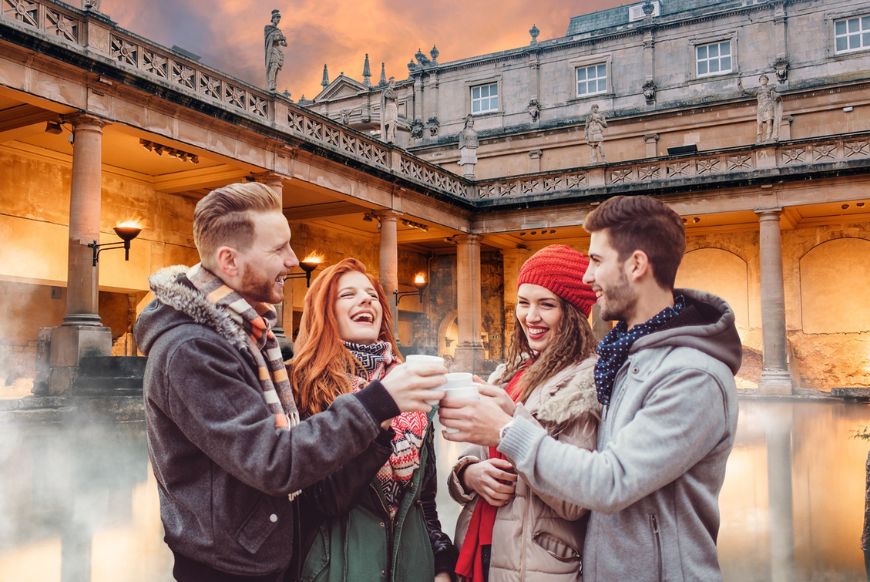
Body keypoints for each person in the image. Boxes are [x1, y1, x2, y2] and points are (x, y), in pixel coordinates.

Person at [134, 183, 446, 582]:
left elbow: (423, 498)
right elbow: (274, 460)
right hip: (231, 570)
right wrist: (379, 404)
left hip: (266, 559)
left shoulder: (245, 333)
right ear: (229, 261)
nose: (294, 260)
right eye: (278, 249)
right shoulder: (193, 349)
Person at [440, 195, 742, 582]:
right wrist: (475, 462)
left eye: (597, 261)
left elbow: (609, 482)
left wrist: (506, 428)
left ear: (636, 264)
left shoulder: (692, 375)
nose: (587, 277)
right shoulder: (627, 359)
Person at [289, 257, 458, 582]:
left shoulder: (409, 386)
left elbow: (422, 500)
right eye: (347, 294)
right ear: (325, 311)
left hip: (411, 567)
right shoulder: (302, 386)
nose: (365, 299)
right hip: (338, 568)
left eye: (370, 294)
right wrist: (378, 415)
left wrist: (440, 561)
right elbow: (326, 499)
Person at [448, 245, 600, 581]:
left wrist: (509, 425)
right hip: (481, 548)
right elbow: (467, 460)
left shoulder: (586, 382)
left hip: (533, 564)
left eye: (546, 304)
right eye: (523, 302)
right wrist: (470, 474)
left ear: (573, 313)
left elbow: (575, 501)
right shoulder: (507, 374)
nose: (530, 317)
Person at [264, 9, 287, 92]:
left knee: (276, 67)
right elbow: (269, 39)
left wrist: (284, 41)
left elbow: (282, 43)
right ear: (273, 19)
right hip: (272, 49)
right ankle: (270, 83)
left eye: (279, 18)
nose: (278, 20)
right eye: (277, 18)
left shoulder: (279, 31)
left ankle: (274, 83)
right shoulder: (268, 28)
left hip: (278, 50)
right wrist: (278, 38)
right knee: (273, 66)